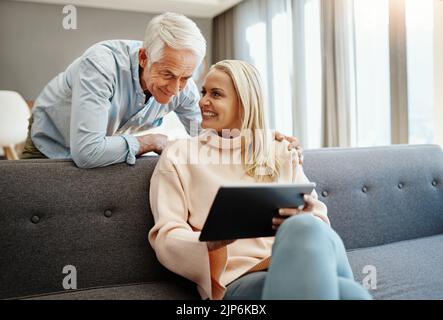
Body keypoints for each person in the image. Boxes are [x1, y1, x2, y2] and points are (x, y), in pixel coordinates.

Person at [148, 60, 372, 300]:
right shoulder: (179, 155)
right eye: (203, 92)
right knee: (351, 293)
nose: (202, 101)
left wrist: (303, 216)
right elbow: (166, 237)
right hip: (239, 280)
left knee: (307, 227)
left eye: (216, 94)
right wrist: (210, 241)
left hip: (296, 260)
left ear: (243, 103)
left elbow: (318, 222)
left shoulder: (280, 150)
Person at [21, 12, 300, 169]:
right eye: (167, 74)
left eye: (186, 77)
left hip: (99, 144)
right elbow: (87, 152)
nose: (175, 88)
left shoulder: (184, 87)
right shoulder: (101, 63)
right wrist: (150, 141)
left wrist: (265, 138)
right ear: (144, 58)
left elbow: (209, 136)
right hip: (50, 138)